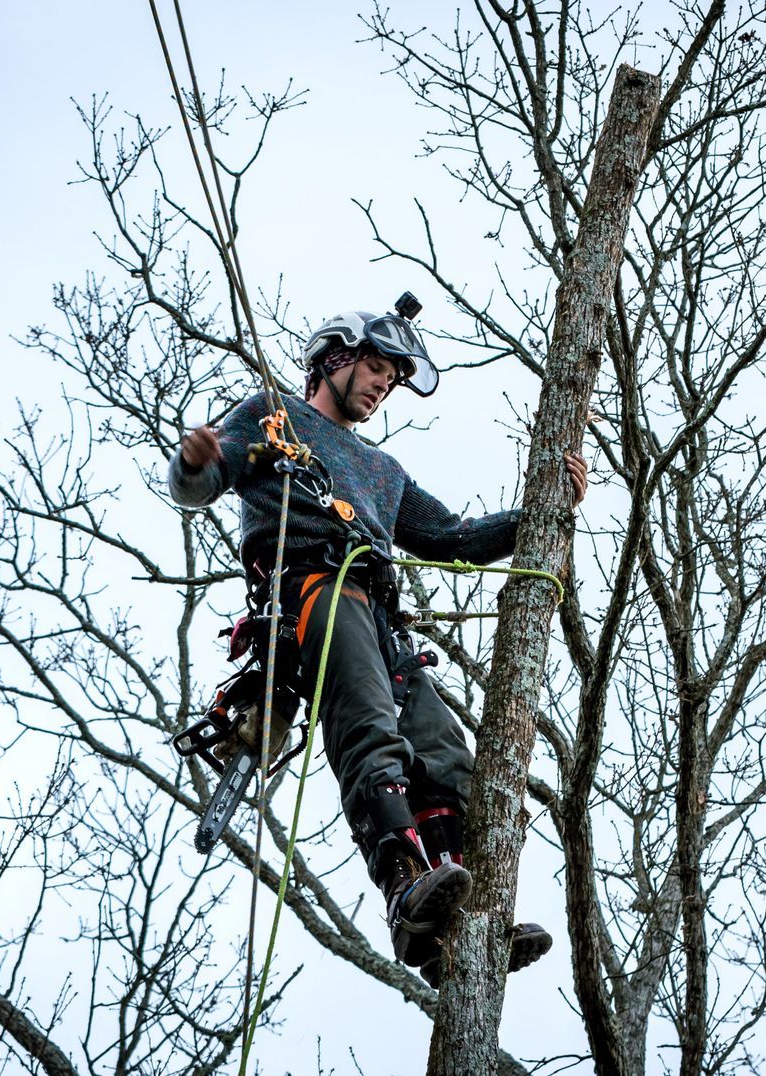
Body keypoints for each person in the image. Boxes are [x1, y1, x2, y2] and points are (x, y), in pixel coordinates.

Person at [167, 304, 586, 986]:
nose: (380, 388)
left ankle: (462, 922)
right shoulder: (274, 417)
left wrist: (545, 513)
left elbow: (454, 537)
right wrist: (193, 464)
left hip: (383, 614)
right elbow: (203, 485)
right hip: (313, 590)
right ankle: (401, 886)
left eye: (391, 381)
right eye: (375, 369)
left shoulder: (383, 472)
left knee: (447, 754)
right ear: (334, 358)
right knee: (368, 726)